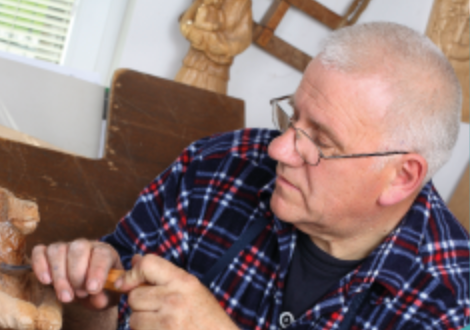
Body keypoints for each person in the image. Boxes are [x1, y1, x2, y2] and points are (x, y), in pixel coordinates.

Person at [31, 22, 470, 329]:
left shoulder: (451, 302)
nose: (279, 149)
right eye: (293, 117)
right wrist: (95, 301)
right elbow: (100, 315)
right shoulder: (216, 167)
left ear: (400, 177)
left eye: (320, 141)